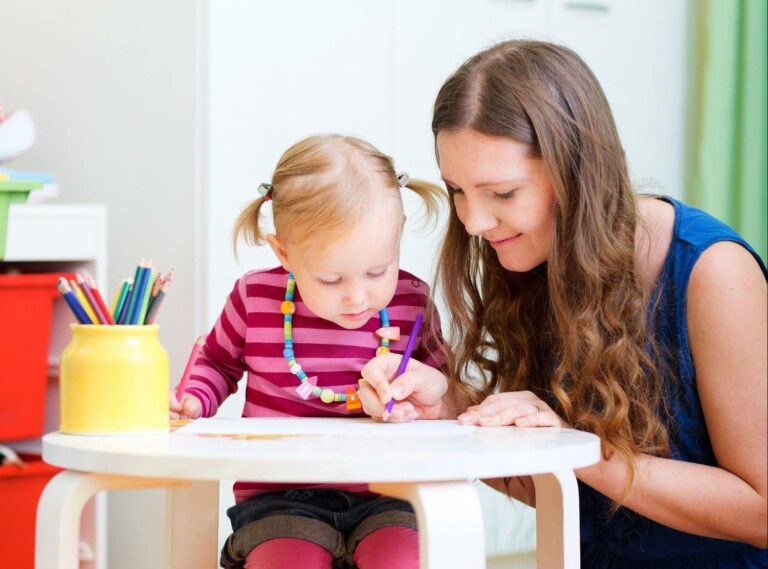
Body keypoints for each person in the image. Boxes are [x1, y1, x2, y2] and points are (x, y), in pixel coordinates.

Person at [359, 40, 768, 567]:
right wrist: (452, 411)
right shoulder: (530, 257)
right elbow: (576, 497)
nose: (474, 222)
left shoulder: (714, 273)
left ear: (578, 174)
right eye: (456, 189)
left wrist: (578, 449)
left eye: (502, 194)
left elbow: (760, 511)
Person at [169, 134, 445, 569]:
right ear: (284, 252)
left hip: (388, 492)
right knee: (287, 560)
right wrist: (195, 398)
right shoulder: (255, 297)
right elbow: (217, 361)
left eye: (377, 270)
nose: (357, 297)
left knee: (401, 559)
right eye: (332, 280)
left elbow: (440, 394)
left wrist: (419, 398)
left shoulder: (411, 302)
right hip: (279, 497)